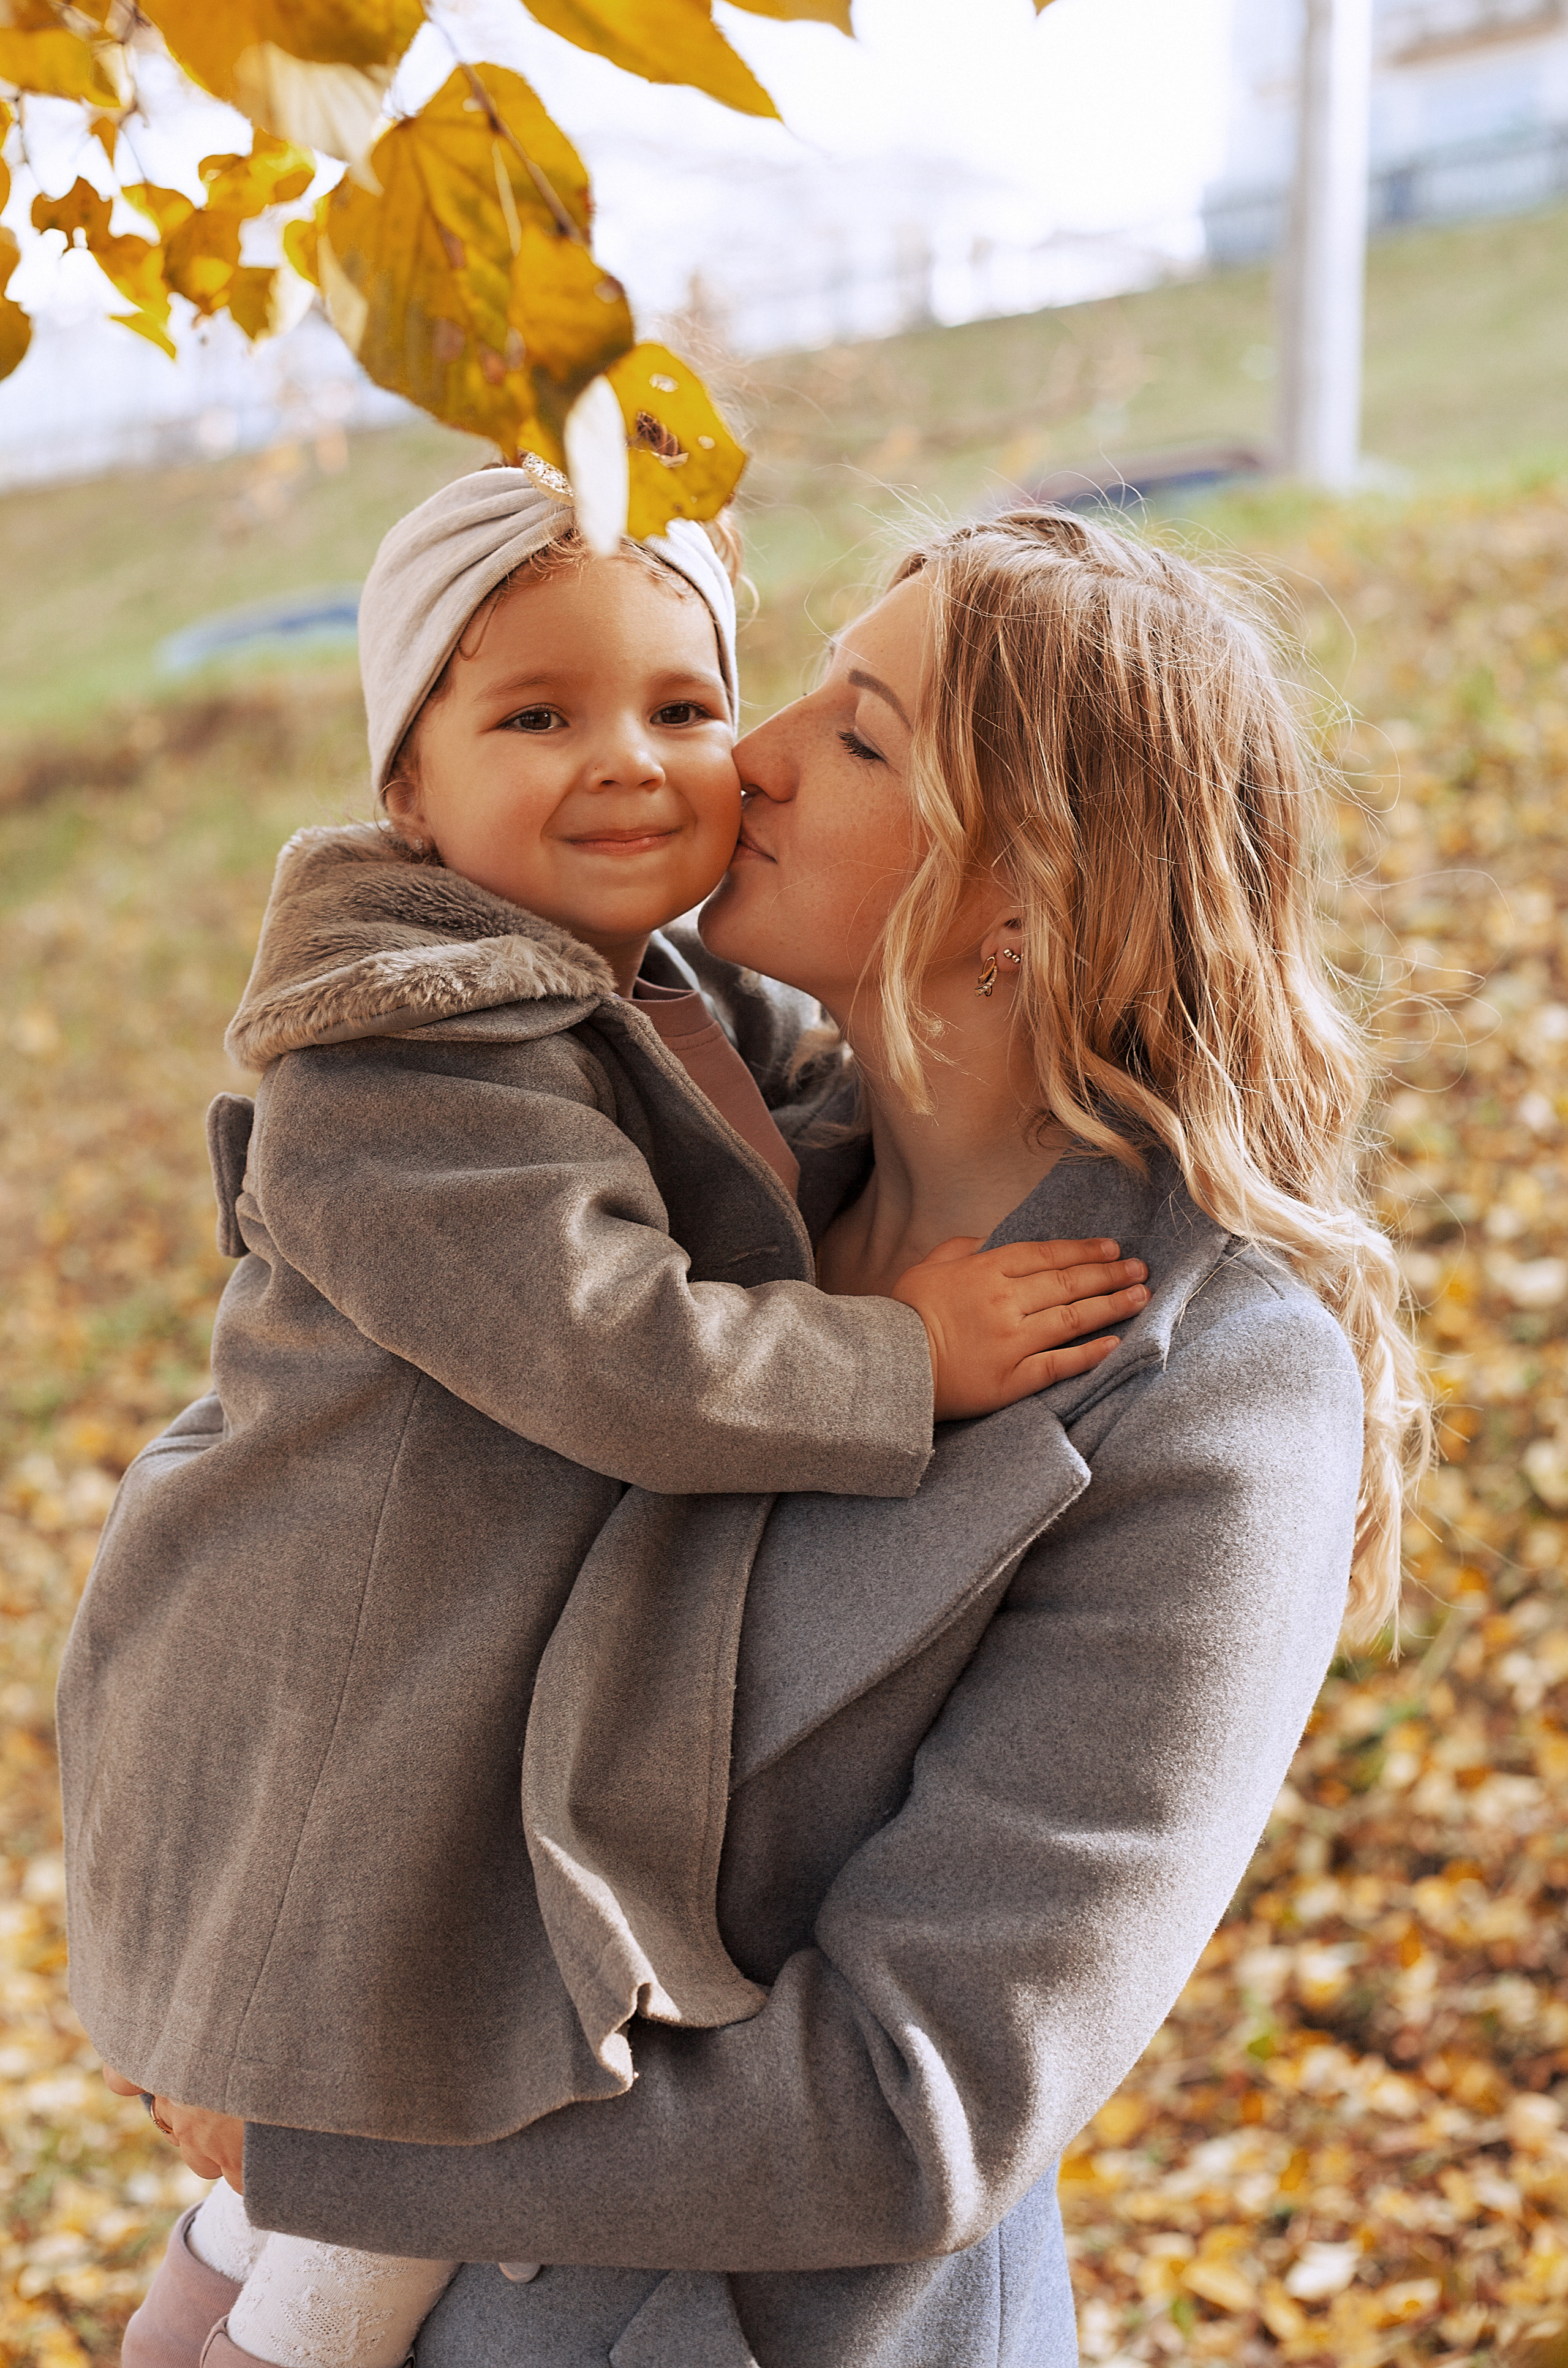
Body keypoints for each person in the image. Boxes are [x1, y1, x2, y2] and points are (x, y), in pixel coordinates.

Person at [146, 507, 1428, 2368]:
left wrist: (339, 2140)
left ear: (1024, 887)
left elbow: (912, 2104)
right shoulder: (699, 1216)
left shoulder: (1214, 1388)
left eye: (858, 732)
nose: (746, 750)